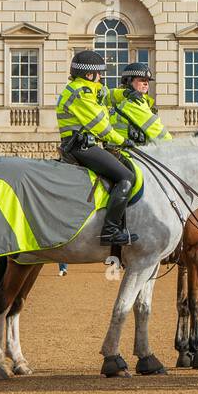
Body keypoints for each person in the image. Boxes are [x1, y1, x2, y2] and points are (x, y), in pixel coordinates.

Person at [56, 51, 138, 247]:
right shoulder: (80, 93)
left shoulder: (89, 89)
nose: (102, 77)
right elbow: (100, 125)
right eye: (99, 73)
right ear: (89, 75)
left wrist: (124, 93)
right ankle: (110, 231)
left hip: (87, 144)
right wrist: (122, 140)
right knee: (126, 177)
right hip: (81, 147)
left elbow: (106, 95)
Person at [107, 62, 172, 146]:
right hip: (130, 154)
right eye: (142, 80)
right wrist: (173, 147)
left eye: (147, 81)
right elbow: (158, 132)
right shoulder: (135, 103)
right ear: (129, 81)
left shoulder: (120, 98)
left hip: (118, 151)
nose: (146, 83)